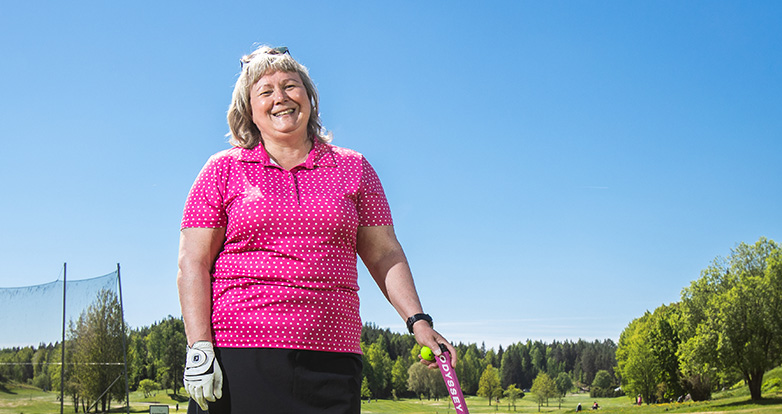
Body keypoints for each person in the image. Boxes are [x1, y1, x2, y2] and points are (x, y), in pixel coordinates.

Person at [177, 45, 456, 414]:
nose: (281, 98)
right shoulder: (222, 169)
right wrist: (199, 347)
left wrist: (418, 320)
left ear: (309, 98)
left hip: (332, 359)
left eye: (291, 86)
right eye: (265, 91)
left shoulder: (354, 167)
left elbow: (385, 252)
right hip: (239, 353)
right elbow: (192, 264)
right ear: (249, 110)